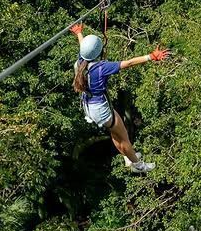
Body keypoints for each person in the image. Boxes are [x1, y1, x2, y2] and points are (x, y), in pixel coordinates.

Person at [70, 23, 168, 174]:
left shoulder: (80, 62)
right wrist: (151, 56)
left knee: (114, 132)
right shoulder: (101, 67)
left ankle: (128, 157)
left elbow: (85, 48)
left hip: (89, 106)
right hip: (100, 108)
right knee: (124, 138)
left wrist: (78, 33)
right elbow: (128, 63)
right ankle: (138, 165)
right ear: (98, 52)